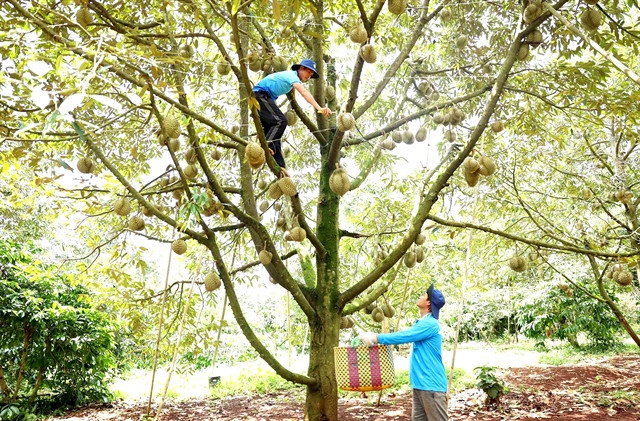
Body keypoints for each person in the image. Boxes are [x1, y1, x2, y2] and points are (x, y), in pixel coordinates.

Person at [359, 284, 448, 421]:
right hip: (420, 385)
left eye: (424, 295)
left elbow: (405, 336)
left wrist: (377, 337)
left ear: (429, 303)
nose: (420, 296)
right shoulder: (422, 323)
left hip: (431, 386)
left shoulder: (430, 324)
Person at [252, 59, 332, 174]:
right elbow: (304, 92)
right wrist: (319, 108)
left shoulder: (291, 79)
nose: (309, 76)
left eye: (311, 75)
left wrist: (292, 101)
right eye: (309, 72)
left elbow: (292, 89)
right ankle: (264, 147)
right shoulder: (291, 76)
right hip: (259, 95)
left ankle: (280, 166)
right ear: (301, 68)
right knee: (280, 121)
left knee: (274, 134)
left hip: (263, 98)